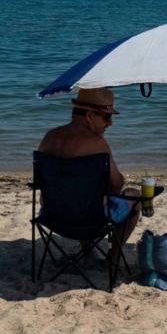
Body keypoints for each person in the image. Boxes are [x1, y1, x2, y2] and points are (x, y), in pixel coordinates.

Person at [37, 87, 140, 254]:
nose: (110, 124)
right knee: (134, 196)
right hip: (90, 221)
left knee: (79, 195)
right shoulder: (97, 144)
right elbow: (116, 185)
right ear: (90, 116)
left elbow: (40, 181)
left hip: (52, 217)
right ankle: (113, 259)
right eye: (107, 117)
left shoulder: (49, 137)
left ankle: (87, 251)